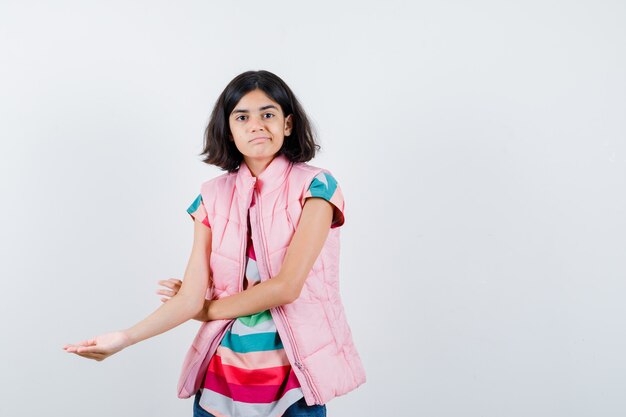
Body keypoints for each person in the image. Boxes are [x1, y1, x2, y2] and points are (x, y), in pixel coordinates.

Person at [63, 70, 366, 417]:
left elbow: (286, 287)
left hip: (292, 388)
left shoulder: (317, 187)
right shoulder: (210, 199)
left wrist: (207, 310)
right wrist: (124, 338)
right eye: (242, 116)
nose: (256, 125)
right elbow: (190, 297)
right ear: (229, 129)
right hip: (220, 388)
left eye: (268, 114)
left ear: (287, 124)